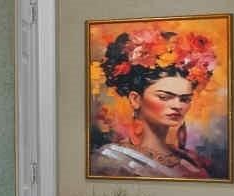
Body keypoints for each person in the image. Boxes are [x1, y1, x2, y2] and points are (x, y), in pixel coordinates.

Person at [88, 27, 222, 179]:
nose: (178, 106)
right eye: (164, 97)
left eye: (184, 99)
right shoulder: (110, 160)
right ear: (135, 99)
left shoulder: (191, 161)